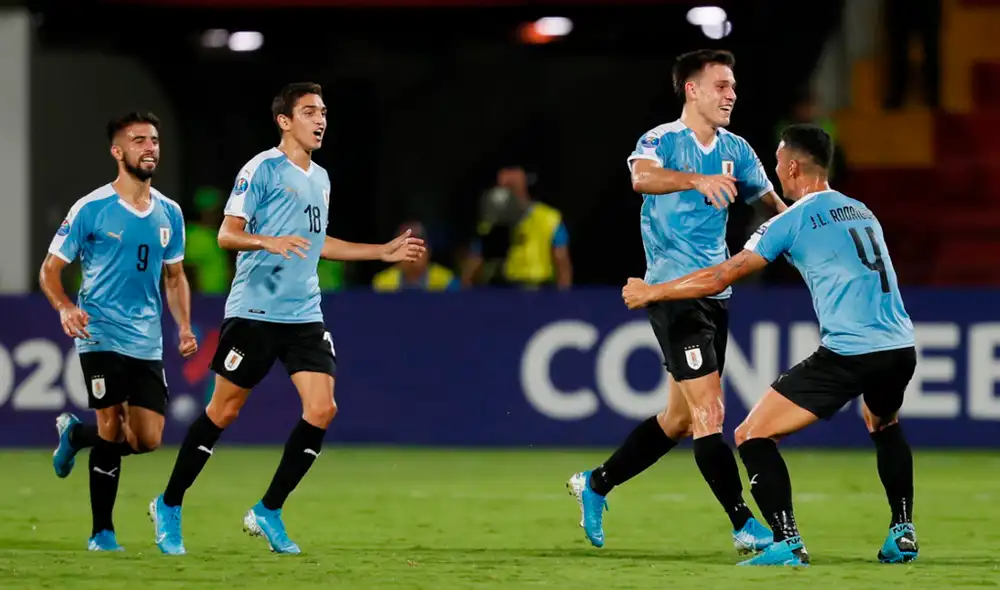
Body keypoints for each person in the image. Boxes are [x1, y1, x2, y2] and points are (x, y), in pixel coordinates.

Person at [622, 124, 918, 567]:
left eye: (778, 160)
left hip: (850, 353)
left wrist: (654, 292)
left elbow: (721, 275)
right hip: (900, 347)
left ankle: (788, 542)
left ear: (793, 165)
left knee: (751, 434)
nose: (775, 168)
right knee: (883, 423)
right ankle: (903, 530)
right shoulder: (860, 210)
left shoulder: (789, 221)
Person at [148, 82, 425, 556]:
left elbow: (318, 243)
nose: (320, 120)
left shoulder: (321, 178)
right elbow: (226, 236)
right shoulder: (261, 170)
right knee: (223, 411)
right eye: (310, 112)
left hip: (304, 313)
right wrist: (269, 241)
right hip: (254, 312)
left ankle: (268, 510)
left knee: (322, 408)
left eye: (323, 112)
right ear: (285, 120)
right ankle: (169, 503)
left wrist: (381, 251)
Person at [567, 49, 787, 552]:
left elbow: (774, 207)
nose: (731, 94)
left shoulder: (738, 149)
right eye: (721, 85)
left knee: (679, 419)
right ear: (692, 89)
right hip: (672, 294)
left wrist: (817, 223)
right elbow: (640, 177)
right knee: (710, 412)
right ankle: (743, 525)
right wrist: (696, 180)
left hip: (715, 294)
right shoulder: (662, 141)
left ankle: (595, 484)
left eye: (733, 87)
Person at [40, 111, 197, 552]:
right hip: (99, 329)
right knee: (112, 424)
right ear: (118, 151)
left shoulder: (170, 212)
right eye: (138, 140)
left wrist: (184, 326)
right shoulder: (91, 209)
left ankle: (75, 436)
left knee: (145, 439)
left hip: (146, 338)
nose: (149, 147)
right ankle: (102, 532)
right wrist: (66, 306)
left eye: (154, 140)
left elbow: (174, 275)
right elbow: (51, 270)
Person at [462, 166, 572, 289]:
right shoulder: (492, 220)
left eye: (510, 187)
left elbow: (563, 264)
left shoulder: (549, 219)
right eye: (501, 187)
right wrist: (465, 290)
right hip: (508, 288)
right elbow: (475, 258)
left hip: (542, 289)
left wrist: (563, 298)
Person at [372, 221, 460, 292]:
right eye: (406, 247)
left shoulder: (447, 282)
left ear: (428, 251)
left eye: (418, 246)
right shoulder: (382, 284)